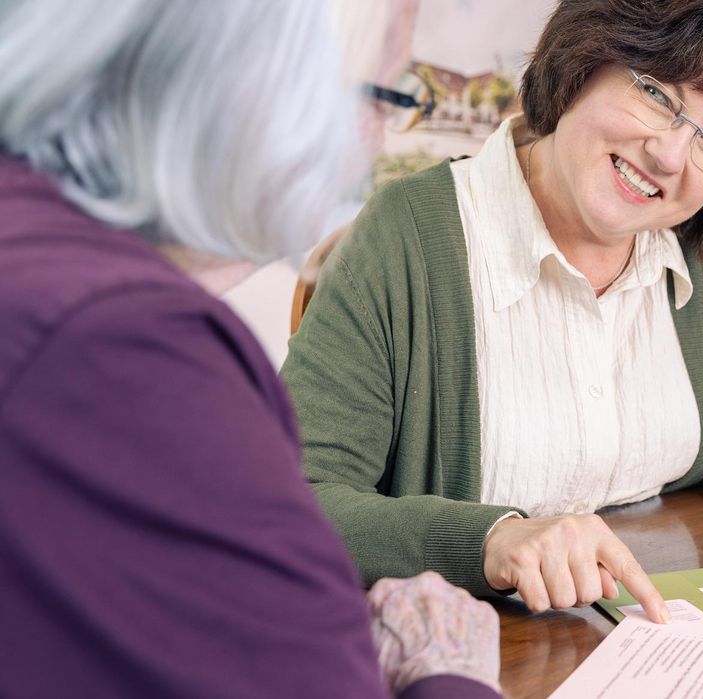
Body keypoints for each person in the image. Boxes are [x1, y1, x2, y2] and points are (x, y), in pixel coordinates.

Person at [282, 0, 703, 623]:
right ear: (586, 59)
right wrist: (494, 538)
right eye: (658, 94)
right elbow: (294, 500)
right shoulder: (409, 235)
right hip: (465, 654)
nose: (669, 154)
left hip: (667, 635)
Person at [0, 1, 500, 697]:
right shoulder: (124, 348)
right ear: (266, 85)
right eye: (383, 97)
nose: (378, 144)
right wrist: (449, 671)